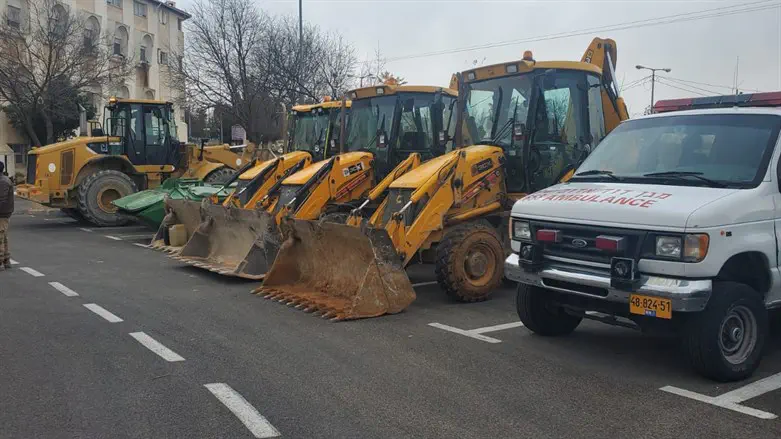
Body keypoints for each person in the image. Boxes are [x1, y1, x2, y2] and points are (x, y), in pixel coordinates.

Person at [0, 161, 13, 270]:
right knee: (3, 236)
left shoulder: (3, 181)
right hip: (4, 212)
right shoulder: (4, 180)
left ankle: (1, 261)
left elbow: (1, 199)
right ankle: (6, 260)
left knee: (0, 237)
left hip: (2, 213)